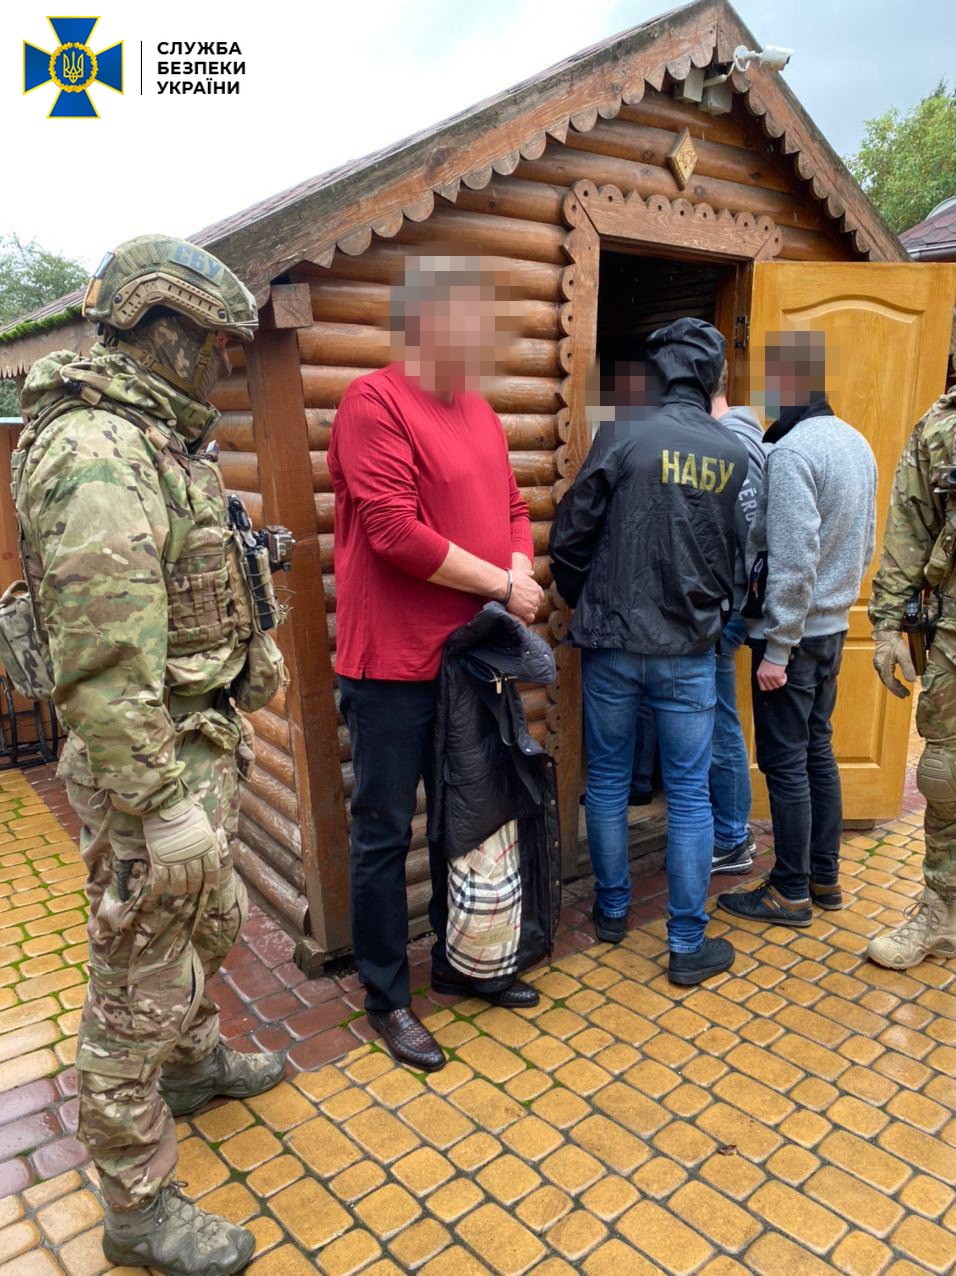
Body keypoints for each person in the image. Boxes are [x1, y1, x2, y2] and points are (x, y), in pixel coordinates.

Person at [14, 237, 289, 1275]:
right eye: (213, 341)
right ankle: (137, 1206)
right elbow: (101, 666)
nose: (221, 360)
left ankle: (193, 1062)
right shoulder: (97, 455)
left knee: (201, 925)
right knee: (137, 980)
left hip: (194, 741)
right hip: (150, 766)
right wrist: (161, 805)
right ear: (160, 331)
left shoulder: (156, 439)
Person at [328, 254, 545, 1074]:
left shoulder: (478, 410)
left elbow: (514, 506)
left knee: (468, 818)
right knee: (385, 833)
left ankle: (464, 964)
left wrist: (518, 570)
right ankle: (388, 998)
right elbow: (394, 532)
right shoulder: (372, 402)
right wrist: (502, 585)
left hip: (467, 664)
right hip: (390, 668)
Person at [550, 317, 747, 985]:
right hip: (688, 648)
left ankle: (611, 912)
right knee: (689, 794)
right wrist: (717, 618)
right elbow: (738, 556)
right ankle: (687, 945)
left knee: (607, 780)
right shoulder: (731, 451)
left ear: (660, 369)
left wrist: (584, 596)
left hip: (612, 641)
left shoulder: (624, 431)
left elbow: (571, 531)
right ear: (710, 375)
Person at [719, 330, 877, 929]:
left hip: (794, 636)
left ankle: (789, 891)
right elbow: (864, 543)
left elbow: (791, 557)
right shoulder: (856, 442)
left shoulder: (792, 453)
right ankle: (823, 877)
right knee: (817, 752)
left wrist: (778, 647)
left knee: (786, 763)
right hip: (831, 628)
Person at [868, 387, 956, 967]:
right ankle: (942, 913)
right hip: (954, 636)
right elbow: (909, 526)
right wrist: (886, 626)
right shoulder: (942, 425)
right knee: (945, 775)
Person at [709, 361, 767, 873]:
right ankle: (726, 830)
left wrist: (741, 604)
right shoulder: (740, 436)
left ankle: (730, 836)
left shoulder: (734, 443)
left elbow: (751, 536)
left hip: (725, 609)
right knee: (715, 719)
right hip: (727, 606)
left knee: (718, 722)